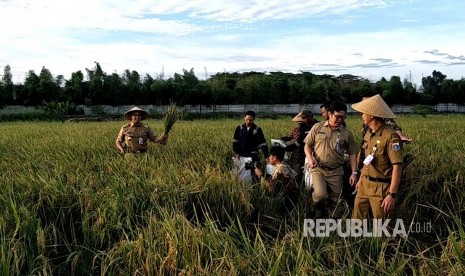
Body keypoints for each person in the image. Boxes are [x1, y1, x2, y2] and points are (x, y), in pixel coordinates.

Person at [351, 94, 403, 220]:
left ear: (372, 115)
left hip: (381, 188)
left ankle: (383, 240)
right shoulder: (368, 133)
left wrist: (391, 194)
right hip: (364, 184)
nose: (362, 116)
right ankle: (356, 239)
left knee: (381, 225)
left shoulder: (391, 137)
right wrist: (361, 179)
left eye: (364, 113)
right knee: (357, 219)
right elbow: (367, 159)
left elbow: (397, 167)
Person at [304, 101, 359, 218]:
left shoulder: (346, 133)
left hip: (336, 171)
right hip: (319, 168)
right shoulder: (317, 128)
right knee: (320, 194)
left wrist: (354, 172)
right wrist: (310, 158)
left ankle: (333, 221)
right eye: (338, 116)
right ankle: (317, 215)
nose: (340, 119)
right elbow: (307, 145)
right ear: (330, 114)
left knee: (336, 198)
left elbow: (353, 153)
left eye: (343, 117)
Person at [357, 92, 412, 171]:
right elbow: (363, 144)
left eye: (367, 103)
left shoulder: (381, 118)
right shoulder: (366, 122)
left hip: (377, 166)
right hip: (364, 161)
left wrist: (400, 136)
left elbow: (394, 127)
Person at [254, 146, 298, 212]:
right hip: (292, 196)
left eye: (270, 156)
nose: (268, 158)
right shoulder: (284, 165)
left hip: (288, 200)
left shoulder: (280, 169)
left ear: (274, 158)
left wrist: (260, 175)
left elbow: (271, 189)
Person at [280, 110, 318, 182]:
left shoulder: (319, 125)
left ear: (310, 117)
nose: (303, 120)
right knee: (306, 173)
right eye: (303, 118)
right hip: (304, 153)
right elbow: (299, 142)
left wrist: (286, 148)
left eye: (305, 118)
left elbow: (299, 143)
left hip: (316, 153)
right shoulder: (303, 128)